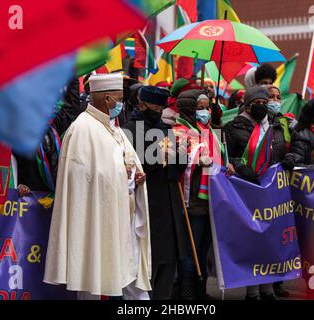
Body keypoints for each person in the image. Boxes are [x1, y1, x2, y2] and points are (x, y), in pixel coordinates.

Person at [44, 73, 151, 300]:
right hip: (97, 218)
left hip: (125, 217)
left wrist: (135, 177)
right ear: (107, 99)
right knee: (92, 279)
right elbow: (81, 178)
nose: (121, 104)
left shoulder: (115, 128)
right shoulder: (82, 129)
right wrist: (123, 174)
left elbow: (125, 164)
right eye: (119, 98)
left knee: (132, 278)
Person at [123, 86, 188, 300]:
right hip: (147, 202)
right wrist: (159, 159)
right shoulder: (129, 131)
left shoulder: (165, 129)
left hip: (169, 199)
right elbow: (133, 165)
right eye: (156, 106)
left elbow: (174, 163)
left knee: (168, 260)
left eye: (163, 106)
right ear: (141, 104)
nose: (159, 110)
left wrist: (179, 156)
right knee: (149, 258)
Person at [224, 86, 286, 300]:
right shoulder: (233, 127)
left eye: (264, 102)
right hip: (246, 189)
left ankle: (268, 288)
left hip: (270, 190)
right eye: (257, 103)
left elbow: (279, 153)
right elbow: (229, 155)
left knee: (270, 239)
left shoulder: (275, 126)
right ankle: (252, 290)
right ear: (247, 105)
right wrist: (241, 167)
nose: (262, 106)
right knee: (252, 239)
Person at [173, 89, 228, 300]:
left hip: (212, 198)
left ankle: (201, 289)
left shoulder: (211, 131)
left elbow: (221, 155)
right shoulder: (179, 129)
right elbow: (176, 154)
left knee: (204, 248)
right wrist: (197, 157)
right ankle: (186, 291)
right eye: (200, 108)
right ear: (189, 109)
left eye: (207, 107)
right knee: (191, 249)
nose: (205, 112)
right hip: (193, 199)